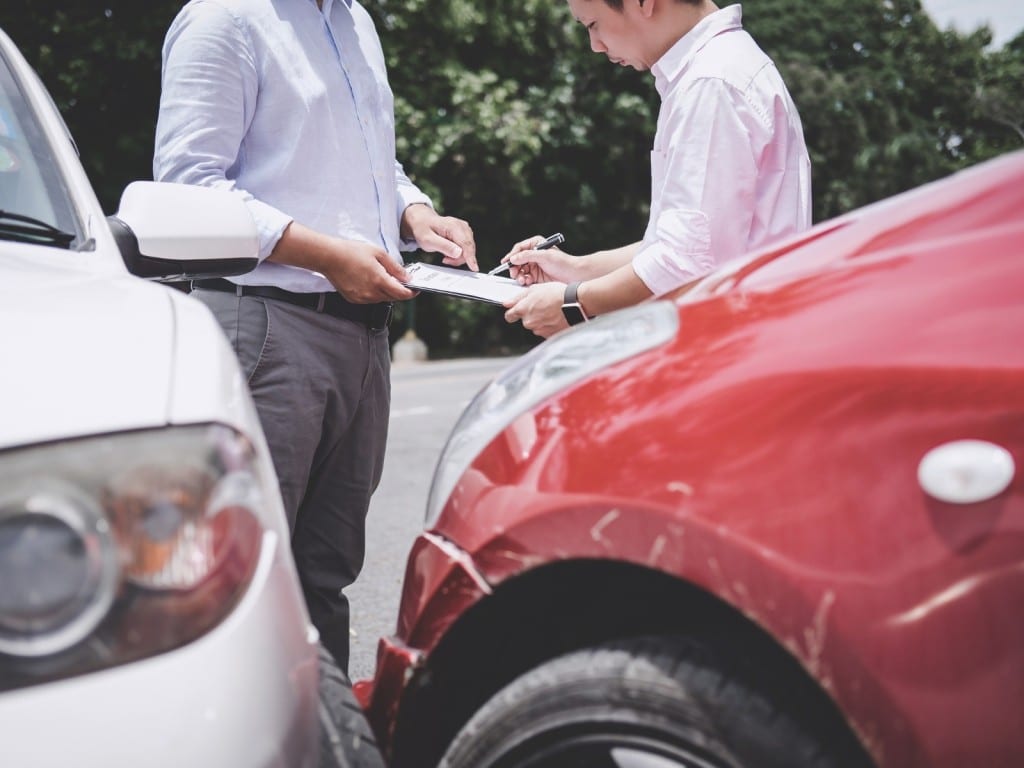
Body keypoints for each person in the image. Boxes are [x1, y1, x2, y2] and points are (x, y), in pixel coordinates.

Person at [153, 0, 476, 672]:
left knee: (324, 576)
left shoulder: (355, 21)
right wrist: (328, 257)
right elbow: (187, 187)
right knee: (243, 578)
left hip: (362, 337)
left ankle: (318, 725)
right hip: (266, 328)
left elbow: (366, 165)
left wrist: (415, 212)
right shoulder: (224, 19)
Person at [504, 0, 811, 337]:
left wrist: (574, 302)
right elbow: (688, 245)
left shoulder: (710, 84)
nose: (595, 46)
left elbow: (685, 261)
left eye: (593, 25)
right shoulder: (716, 69)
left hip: (738, 341)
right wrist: (576, 268)